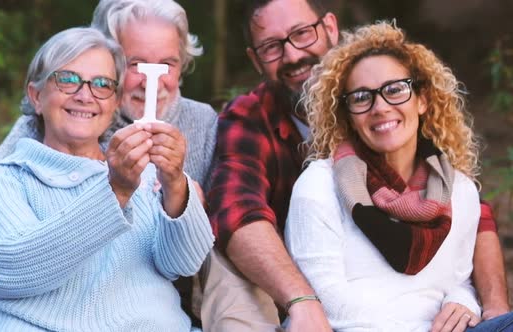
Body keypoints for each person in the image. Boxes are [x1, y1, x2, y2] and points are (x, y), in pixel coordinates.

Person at [203, 0, 509, 331]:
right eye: (272, 47)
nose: (292, 56)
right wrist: (301, 301)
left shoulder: (447, 181)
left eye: (302, 34)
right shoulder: (274, 141)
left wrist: (481, 302)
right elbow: (237, 213)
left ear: (330, 28)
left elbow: (472, 222)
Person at [0, 0, 217, 331]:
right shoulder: (17, 165)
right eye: (135, 63)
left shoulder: (197, 128)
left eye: (100, 84)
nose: (85, 95)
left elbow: (180, 262)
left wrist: (178, 192)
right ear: (36, 97)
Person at [285, 21, 513, 332]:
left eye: (395, 90)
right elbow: (326, 302)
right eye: (362, 97)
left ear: (422, 100)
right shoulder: (319, 186)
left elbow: (459, 279)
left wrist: (466, 301)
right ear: (349, 116)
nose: (380, 107)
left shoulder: (459, 190)